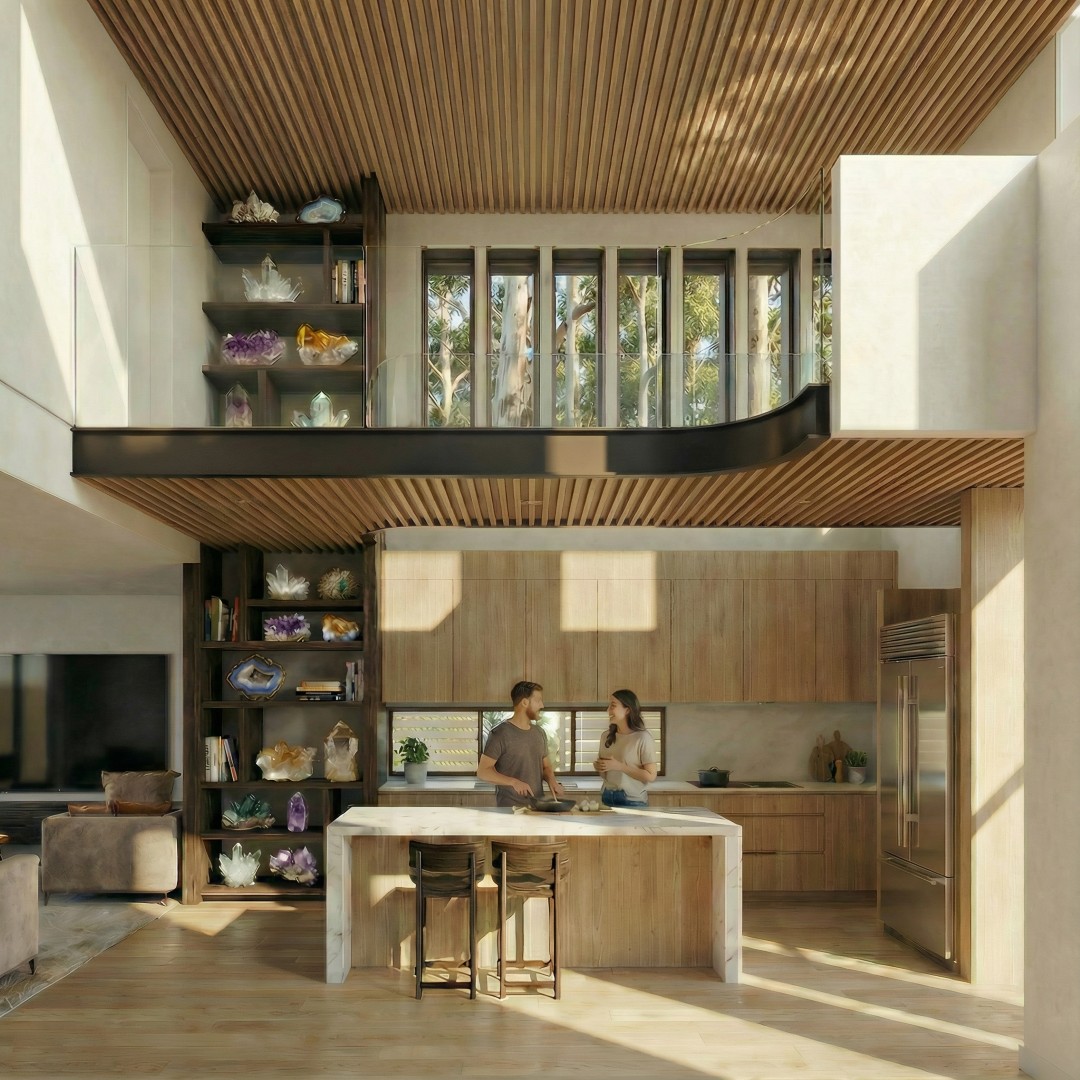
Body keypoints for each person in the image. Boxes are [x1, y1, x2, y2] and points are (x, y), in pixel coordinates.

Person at [478, 681, 565, 807]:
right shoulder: (500, 733)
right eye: (538, 700)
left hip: (538, 807)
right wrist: (514, 782)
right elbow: (483, 771)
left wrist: (552, 782)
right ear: (525, 702)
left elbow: (545, 767)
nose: (542, 705)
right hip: (510, 810)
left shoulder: (539, 733)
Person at [594, 689, 657, 808]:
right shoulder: (606, 736)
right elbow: (606, 775)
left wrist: (620, 766)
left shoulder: (642, 738)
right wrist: (600, 767)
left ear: (627, 709)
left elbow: (651, 776)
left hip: (632, 801)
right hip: (607, 797)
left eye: (612, 706)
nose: (608, 710)